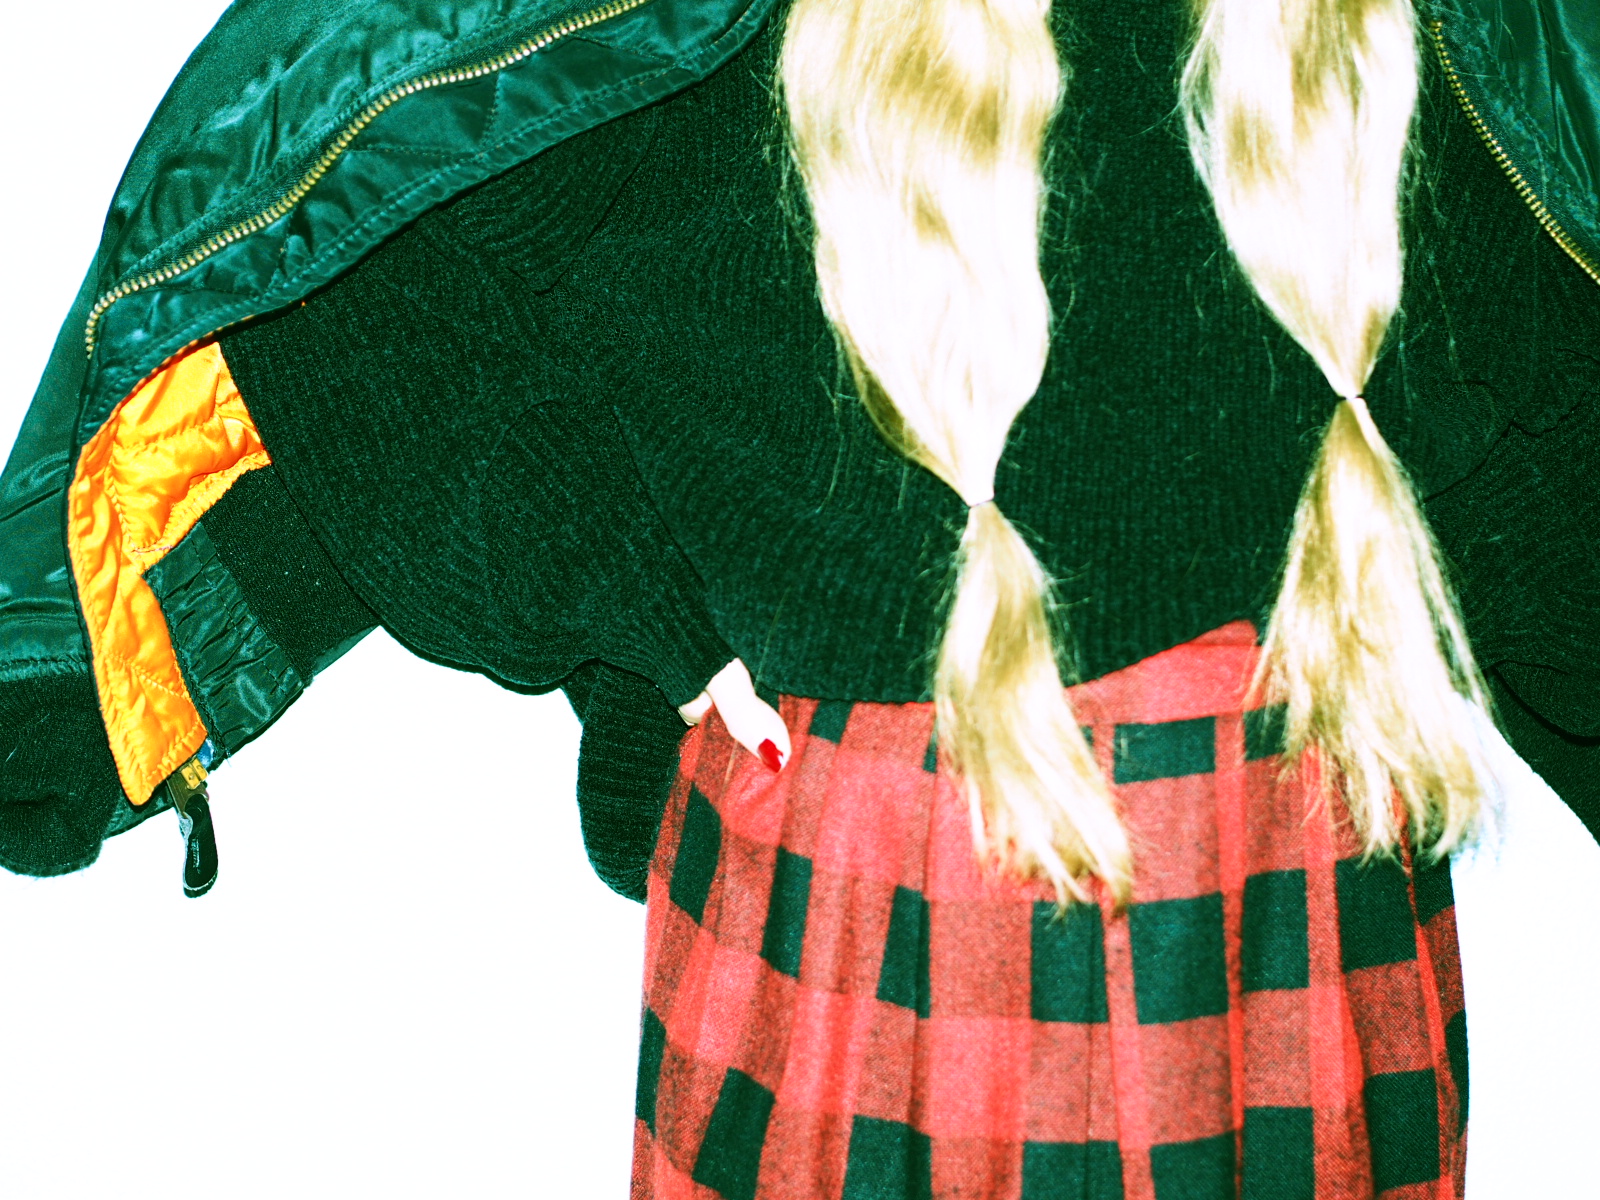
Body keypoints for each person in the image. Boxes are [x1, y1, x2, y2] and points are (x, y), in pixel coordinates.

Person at [1, 0, 1598, 1195]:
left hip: (1068, 888)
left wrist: (637, 615)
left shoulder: (1365, 44)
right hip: (1161, 887)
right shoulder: (1377, 42)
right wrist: (637, 607)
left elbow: (363, 320)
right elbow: (370, 324)